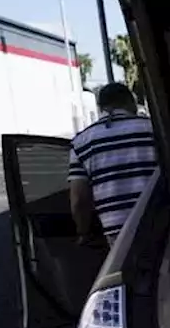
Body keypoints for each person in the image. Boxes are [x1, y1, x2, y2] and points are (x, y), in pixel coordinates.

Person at [67, 83, 157, 246]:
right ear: (131, 103)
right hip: (160, 221)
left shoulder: (81, 142)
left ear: (100, 107)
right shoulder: (154, 129)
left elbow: (79, 199)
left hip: (117, 231)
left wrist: (84, 232)